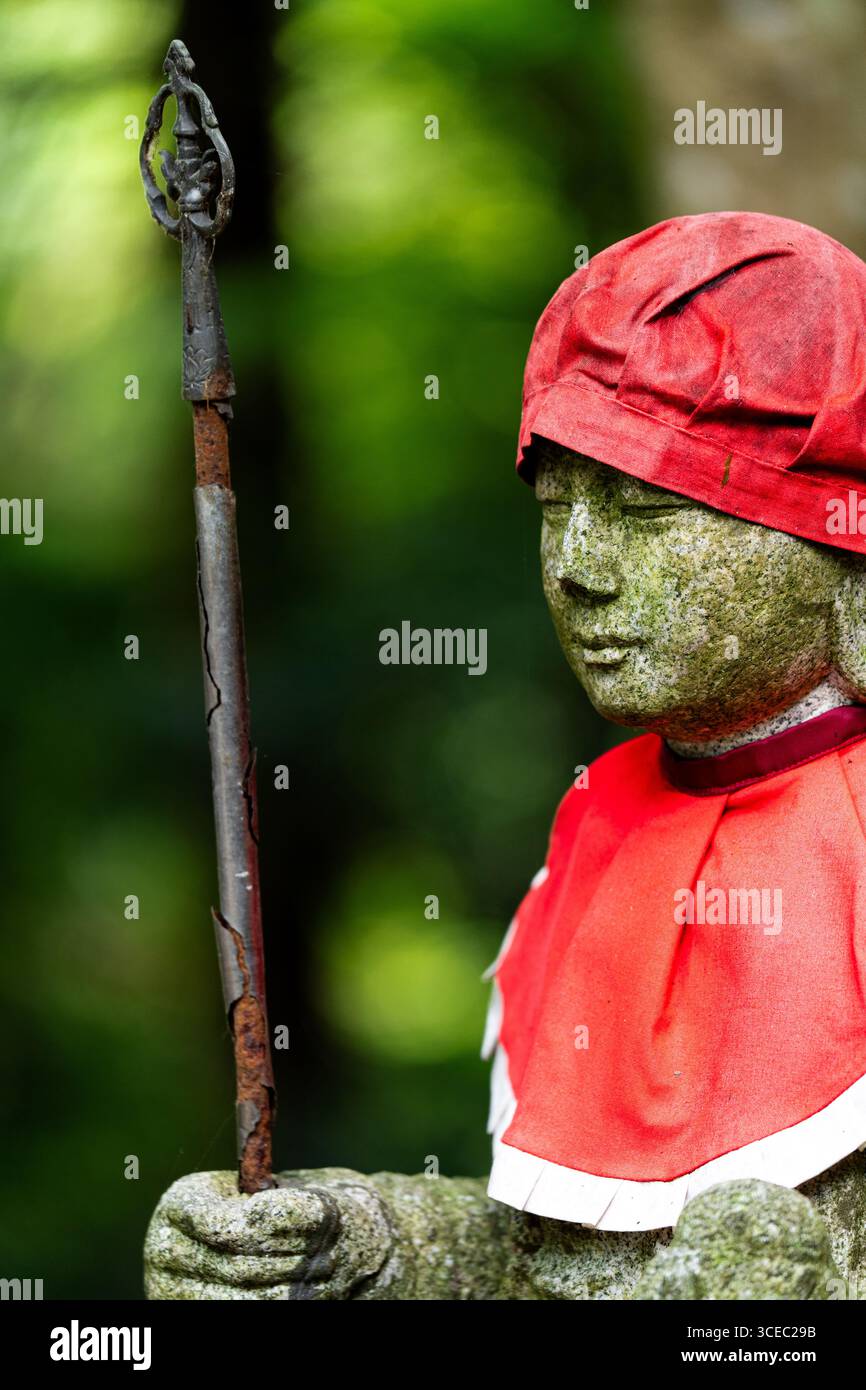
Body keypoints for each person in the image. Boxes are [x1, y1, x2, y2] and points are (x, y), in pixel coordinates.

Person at [145, 212, 866, 1299]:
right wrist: (359, 1242)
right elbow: (542, 1256)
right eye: (556, 506)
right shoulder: (603, 833)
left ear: (834, 545)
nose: (575, 567)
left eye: (641, 507)